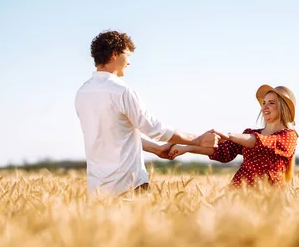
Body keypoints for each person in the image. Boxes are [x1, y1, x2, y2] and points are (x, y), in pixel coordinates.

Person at [75, 30, 220, 196]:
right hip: (128, 184)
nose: (129, 62)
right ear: (115, 54)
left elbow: (115, 134)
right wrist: (198, 140)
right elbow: (155, 128)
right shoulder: (122, 91)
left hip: (97, 189)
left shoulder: (82, 92)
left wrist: (157, 150)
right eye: (127, 55)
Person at [169, 85, 298, 187]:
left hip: (267, 198)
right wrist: (187, 148)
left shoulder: (289, 136)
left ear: (283, 107)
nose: (265, 107)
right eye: (263, 103)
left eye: (271, 103)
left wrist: (229, 136)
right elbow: (220, 151)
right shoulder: (249, 133)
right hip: (238, 193)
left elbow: (261, 142)